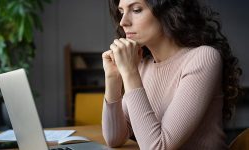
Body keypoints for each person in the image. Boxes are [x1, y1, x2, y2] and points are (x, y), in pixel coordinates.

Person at [101, 0, 242, 149]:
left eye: (136, 10)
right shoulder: (142, 66)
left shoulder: (203, 58)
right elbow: (114, 139)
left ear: (167, 12)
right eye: (121, 12)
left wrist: (130, 72)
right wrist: (113, 78)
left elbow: (157, 147)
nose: (123, 22)